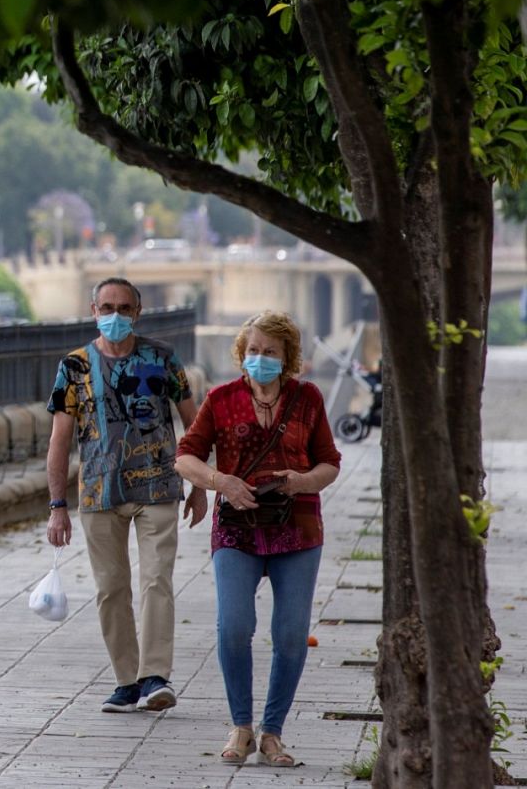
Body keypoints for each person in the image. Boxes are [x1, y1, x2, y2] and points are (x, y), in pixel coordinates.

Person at [174, 311, 341, 767]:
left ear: (287, 357)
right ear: (241, 354)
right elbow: (185, 456)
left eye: (270, 352)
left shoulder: (307, 398)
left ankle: (273, 733)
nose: (260, 359)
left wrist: (300, 481)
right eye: (253, 351)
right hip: (236, 529)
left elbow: (329, 462)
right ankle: (241, 726)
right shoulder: (221, 399)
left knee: (289, 635)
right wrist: (220, 481)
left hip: (298, 529)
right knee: (234, 627)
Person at [47, 277, 203, 714]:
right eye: (106, 307)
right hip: (99, 492)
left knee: (157, 581)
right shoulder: (74, 367)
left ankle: (156, 675)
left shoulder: (162, 358)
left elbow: (195, 425)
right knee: (111, 589)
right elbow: (59, 441)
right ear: (93, 310)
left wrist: (201, 486)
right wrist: (57, 506)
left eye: (124, 307)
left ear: (137, 312)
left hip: (158, 486)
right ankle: (127, 681)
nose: (115, 315)